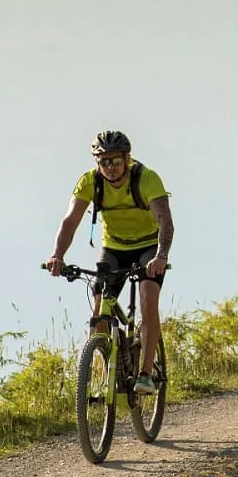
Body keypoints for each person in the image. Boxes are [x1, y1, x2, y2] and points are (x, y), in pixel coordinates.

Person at [45, 130, 174, 396]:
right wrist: (57, 255)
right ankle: (111, 371)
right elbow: (70, 221)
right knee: (99, 309)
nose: (110, 168)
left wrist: (161, 256)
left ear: (127, 158)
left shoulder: (146, 179)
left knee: (149, 298)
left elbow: (165, 221)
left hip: (148, 246)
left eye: (115, 161)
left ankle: (146, 374)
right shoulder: (90, 182)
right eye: (103, 162)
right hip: (113, 247)